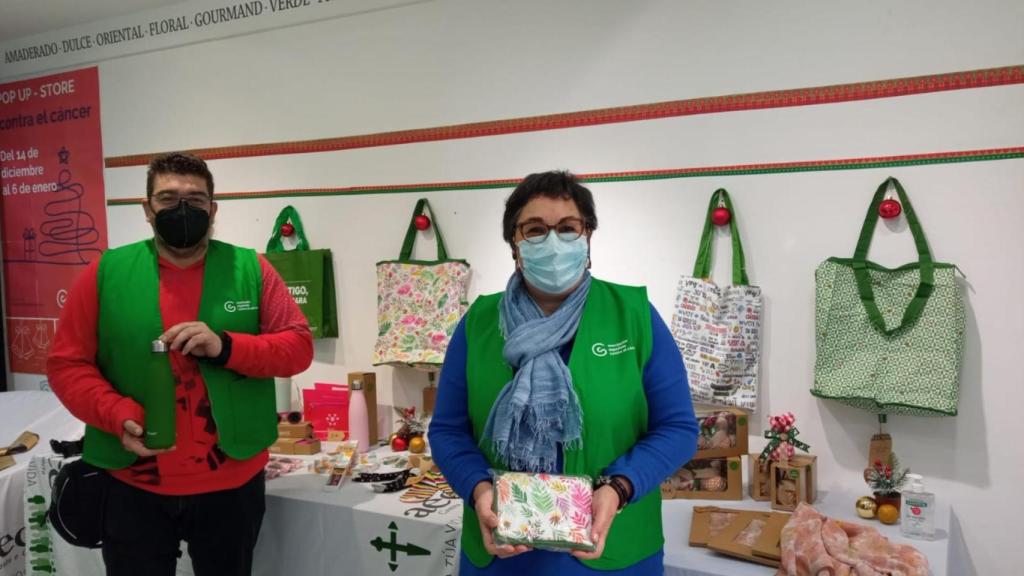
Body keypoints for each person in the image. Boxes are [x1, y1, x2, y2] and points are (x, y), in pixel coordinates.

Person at [47, 152, 313, 576]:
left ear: (214, 208)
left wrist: (226, 346)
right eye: (168, 198)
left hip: (232, 482)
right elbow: (66, 365)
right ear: (147, 209)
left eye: (196, 198)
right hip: (132, 483)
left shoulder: (252, 268)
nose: (183, 208)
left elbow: (298, 346)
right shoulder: (105, 273)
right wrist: (118, 415)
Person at [430, 171, 699, 574]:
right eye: (535, 230)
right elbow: (448, 430)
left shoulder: (635, 316)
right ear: (515, 246)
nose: (552, 242)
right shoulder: (478, 324)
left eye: (568, 228)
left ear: (587, 238)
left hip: (612, 548)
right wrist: (478, 487)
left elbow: (678, 428)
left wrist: (619, 488)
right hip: (502, 549)